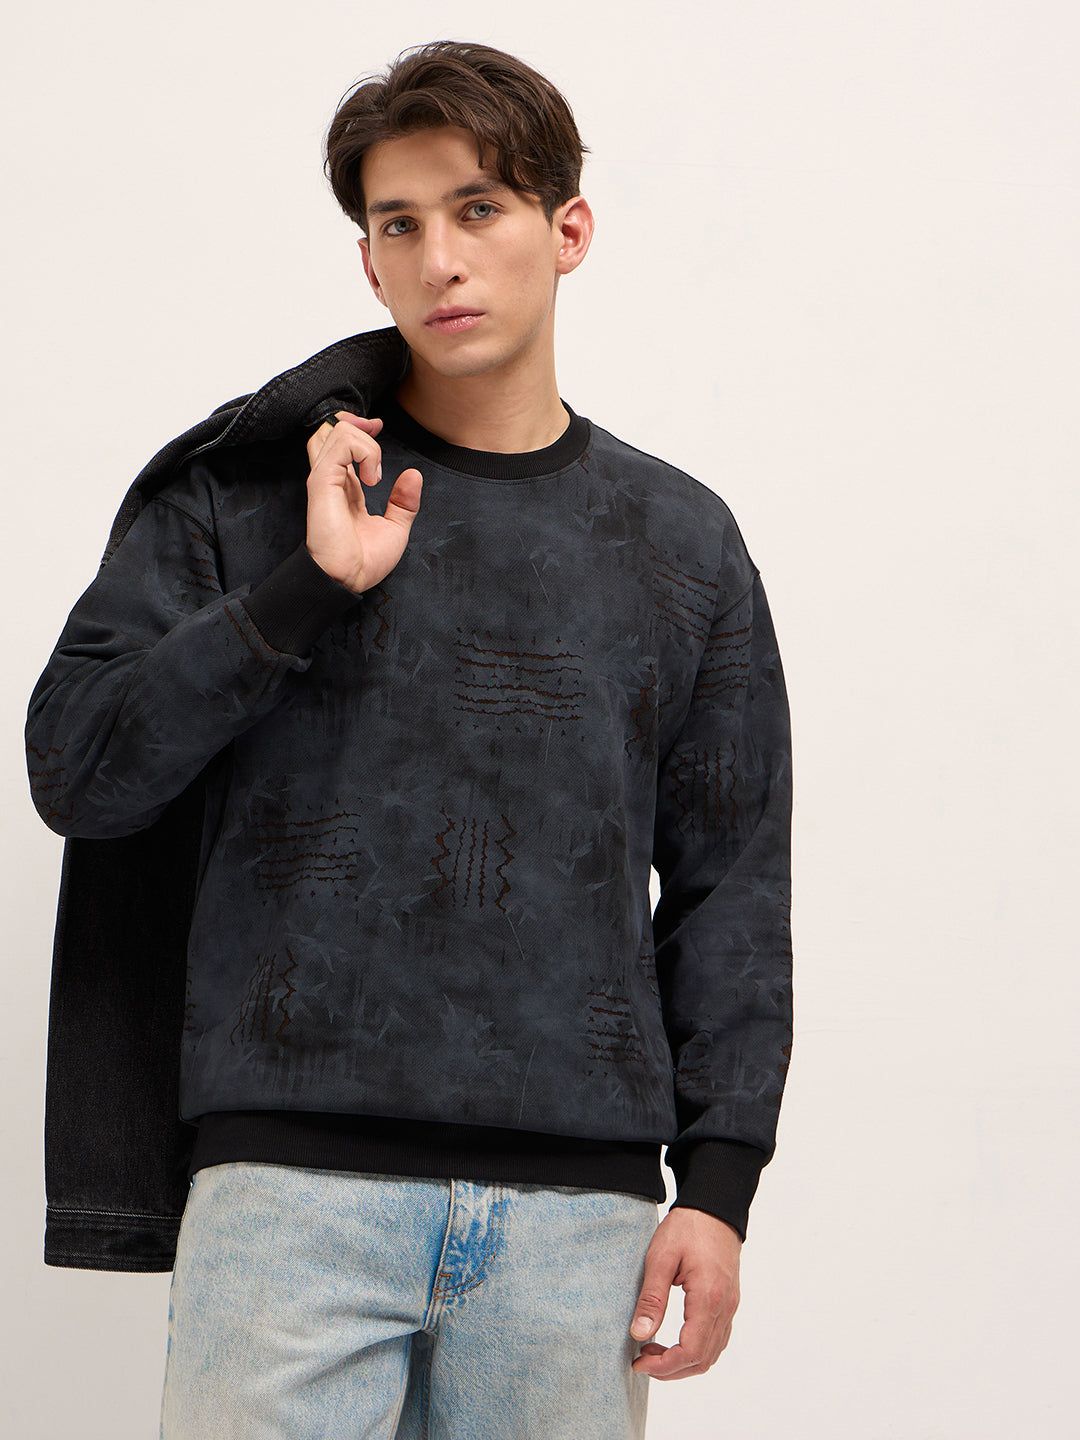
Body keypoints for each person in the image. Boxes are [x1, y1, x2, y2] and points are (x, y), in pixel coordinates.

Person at [25, 39, 793, 1440]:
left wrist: (722, 1186)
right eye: (399, 224)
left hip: (580, 1225)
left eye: (479, 208)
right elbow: (79, 770)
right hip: (288, 1206)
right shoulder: (248, 503)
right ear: (368, 262)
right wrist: (304, 588)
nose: (441, 258)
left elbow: (732, 885)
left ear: (568, 231)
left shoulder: (682, 543)